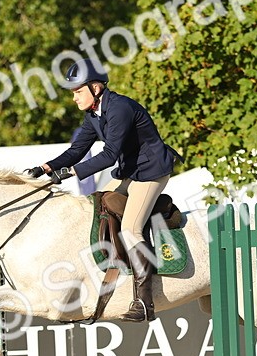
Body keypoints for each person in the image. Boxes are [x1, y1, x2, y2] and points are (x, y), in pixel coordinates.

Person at [27, 59, 177, 322]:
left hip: (152, 170)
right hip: (132, 171)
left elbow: (108, 156)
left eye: (77, 91)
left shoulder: (119, 108)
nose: (74, 98)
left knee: (131, 229)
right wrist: (46, 167)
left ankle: (144, 303)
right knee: (97, 203)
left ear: (95, 88)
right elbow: (77, 150)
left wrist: (72, 172)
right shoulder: (93, 115)